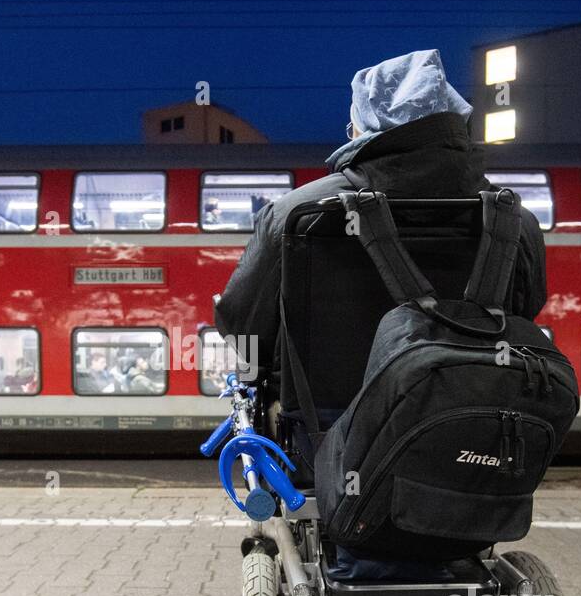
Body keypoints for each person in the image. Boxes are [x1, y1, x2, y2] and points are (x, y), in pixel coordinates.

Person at [215, 49, 547, 380]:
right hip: (481, 424)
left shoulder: (295, 214)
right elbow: (523, 312)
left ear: (367, 127)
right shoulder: (517, 222)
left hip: (328, 429)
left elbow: (244, 332)